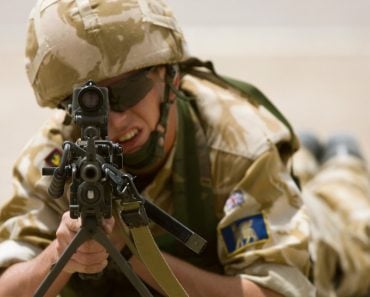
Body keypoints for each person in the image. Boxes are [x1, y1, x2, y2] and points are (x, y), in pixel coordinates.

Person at [0, 0, 365, 296]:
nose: (114, 123)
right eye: (89, 105)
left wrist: (132, 249)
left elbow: (277, 292)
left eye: (127, 93)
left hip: (320, 238)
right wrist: (60, 254)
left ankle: (340, 163)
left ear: (169, 77)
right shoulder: (52, 156)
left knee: (350, 237)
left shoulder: (240, 144)